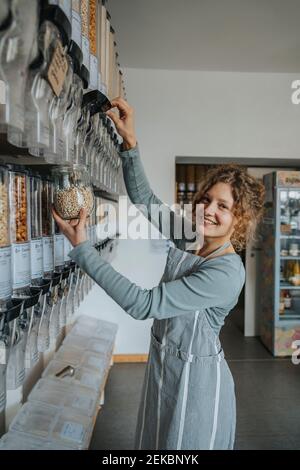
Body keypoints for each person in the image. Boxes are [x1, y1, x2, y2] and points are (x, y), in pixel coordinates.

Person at [52, 97, 265, 450]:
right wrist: (130, 143)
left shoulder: (227, 272)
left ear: (239, 219)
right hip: (164, 365)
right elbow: (145, 199)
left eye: (223, 206)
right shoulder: (190, 236)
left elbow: (143, 304)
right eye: (206, 199)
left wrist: (83, 250)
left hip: (197, 381)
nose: (208, 210)